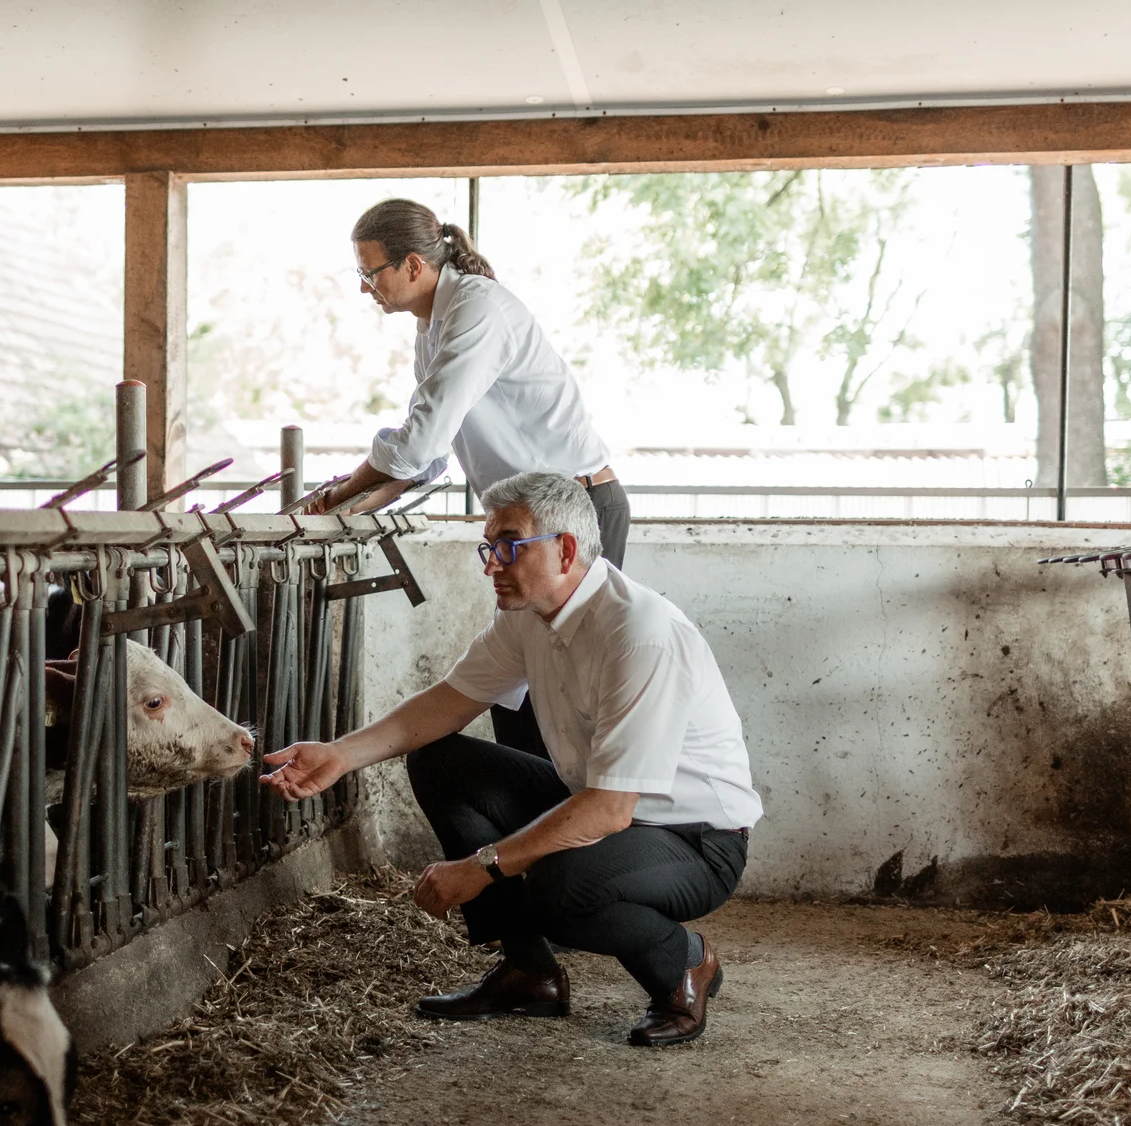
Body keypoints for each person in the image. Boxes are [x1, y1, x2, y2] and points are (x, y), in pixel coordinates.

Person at [264, 472, 759, 1046]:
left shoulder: (640, 634)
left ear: (565, 550)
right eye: (488, 547)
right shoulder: (528, 614)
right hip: (598, 804)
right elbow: (449, 701)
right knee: (440, 762)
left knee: (559, 885)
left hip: (694, 838)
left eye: (508, 546)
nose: (491, 566)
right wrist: (340, 754)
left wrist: (481, 867)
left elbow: (610, 809)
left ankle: (684, 966)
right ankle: (530, 973)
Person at [315, 198, 631, 760]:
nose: (365, 288)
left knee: (561, 680)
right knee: (520, 676)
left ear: (413, 265)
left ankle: (573, 806)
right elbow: (430, 455)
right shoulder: (431, 326)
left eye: (370, 273)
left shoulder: (477, 309)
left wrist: (338, 494)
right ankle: (536, 809)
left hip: (576, 511)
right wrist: (354, 505)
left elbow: (417, 443)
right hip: (526, 520)